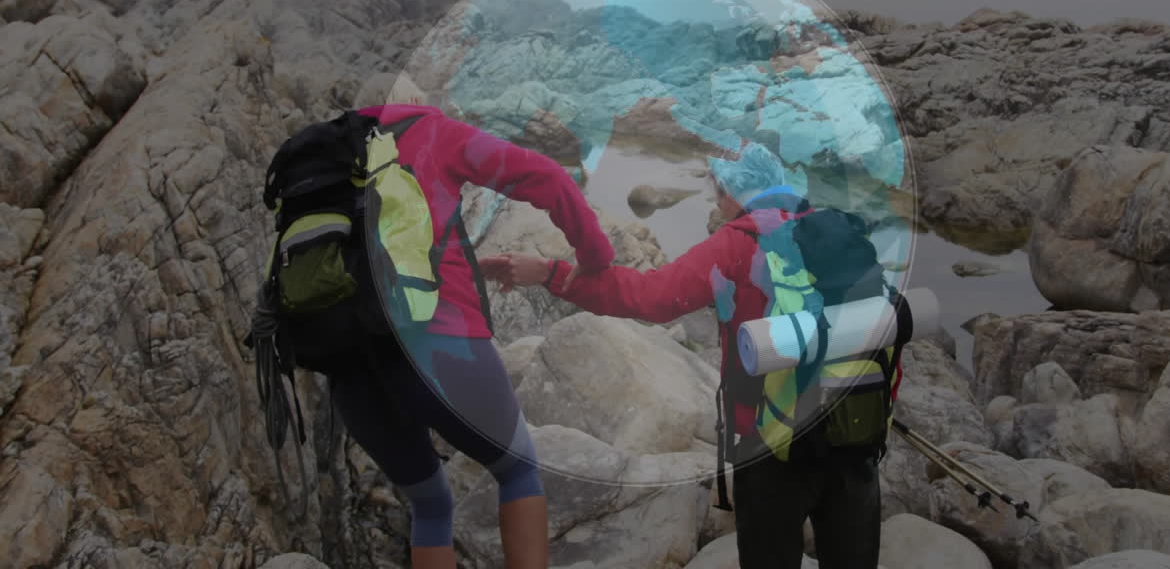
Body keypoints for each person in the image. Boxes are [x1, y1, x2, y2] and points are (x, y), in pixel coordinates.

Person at [481, 142, 889, 569]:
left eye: (716, 190)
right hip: (854, 429)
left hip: (771, 440)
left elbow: (652, 298)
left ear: (731, 192)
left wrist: (551, 273)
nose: (716, 201)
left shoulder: (739, 242)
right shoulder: (838, 230)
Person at [330, 102, 614, 569]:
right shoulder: (432, 130)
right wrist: (596, 255)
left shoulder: (330, 150)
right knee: (518, 469)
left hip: (347, 363)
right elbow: (549, 177)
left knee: (430, 505)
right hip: (436, 344)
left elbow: (368, 260)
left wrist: (470, 266)